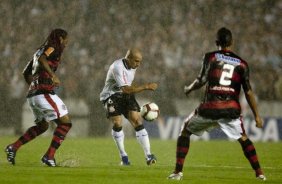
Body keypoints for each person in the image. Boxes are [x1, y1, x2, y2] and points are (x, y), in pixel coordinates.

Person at [168, 27, 266, 180]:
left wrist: (189, 88)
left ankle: (177, 172)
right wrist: (257, 116)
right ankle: (260, 174)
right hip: (230, 110)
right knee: (243, 138)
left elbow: (201, 81)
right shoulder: (242, 64)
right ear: (232, 42)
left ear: (216, 42)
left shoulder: (211, 57)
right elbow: (248, 92)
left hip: (210, 108)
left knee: (185, 131)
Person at [5, 28, 72, 167]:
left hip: (34, 95)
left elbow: (25, 72)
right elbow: (43, 59)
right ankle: (49, 156)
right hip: (43, 93)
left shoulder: (38, 51)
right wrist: (52, 76)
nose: (66, 43)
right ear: (60, 38)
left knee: (43, 126)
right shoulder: (52, 47)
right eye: (65, 40)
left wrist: (34, 86)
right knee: (65, 123)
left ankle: (13, 147)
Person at [100, 48, 158, 165]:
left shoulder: (132, 66)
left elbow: (127, 88)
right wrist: (146, 86)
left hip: (126, 95)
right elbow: (126, 89)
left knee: (137, 120)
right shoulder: (117, 67)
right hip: (110, 96)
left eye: (140, 61)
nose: (138, 64)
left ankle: (148, 155)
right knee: (118, 122)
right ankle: (124, 157)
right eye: (136, 61)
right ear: (128, 58)